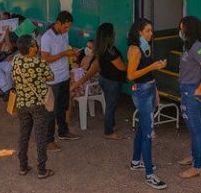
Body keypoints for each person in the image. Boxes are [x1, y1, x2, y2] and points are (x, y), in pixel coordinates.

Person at [126, 18, 167, 190]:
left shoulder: (144, 47)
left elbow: (148, 72)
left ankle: (136, 162)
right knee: (147, 134)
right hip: (142, 91)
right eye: (147, 31)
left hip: (149, 89)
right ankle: (150, 175)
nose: (151, 33)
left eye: (151, 30)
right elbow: (131, 75)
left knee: (142, 129)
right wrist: (153, 67)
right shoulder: (135, 49)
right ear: (139, 32)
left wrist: (155, 90)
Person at [177, 16, 201, 179]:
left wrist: (200, 89)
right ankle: (194, 156)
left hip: (192, 91)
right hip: (186, 89)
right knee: (192, 129)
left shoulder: (197, 47)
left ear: (189, 29)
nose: (180, 31)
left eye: (182, 28)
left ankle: (197, 167)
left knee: (196, 130)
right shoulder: (189, 45)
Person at [12, 35, 55, 179]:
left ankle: (23, 166)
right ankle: (42, 170)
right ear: (31, 48)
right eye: (35, 45)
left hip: (22, 103)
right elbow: (51, 77)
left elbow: (14, 77)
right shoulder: (38, 62)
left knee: (23, 134)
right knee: (40, 136)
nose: (37, 47)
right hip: (38, 104)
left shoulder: (16, 60)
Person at [41, 11, 81, 150]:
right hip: (53, 80)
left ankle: (63, 132)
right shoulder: (47, 37)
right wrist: (64, 53)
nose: (67, 30)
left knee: (63, 107)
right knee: (51, 111)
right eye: (65, 27)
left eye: (69, 27)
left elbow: (65, 51)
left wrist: (71, 53)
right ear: (58, 23)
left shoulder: (65, 34)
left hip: (64, 76)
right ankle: (49, 140)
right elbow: (45, 58)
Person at [81, 23, 126, 139]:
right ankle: (108, 132)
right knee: (111, 105)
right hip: (113, 81)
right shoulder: (111, 51)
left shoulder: (99, 49)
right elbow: (122, 67)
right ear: (109, 34)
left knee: (109, 104)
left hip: (104, 79)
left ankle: (112, 124)